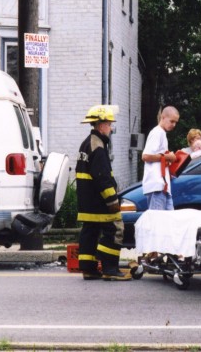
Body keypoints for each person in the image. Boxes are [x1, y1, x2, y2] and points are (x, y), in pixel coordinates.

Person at [76, 105, 131, 281]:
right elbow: (102, 177)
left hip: (87, 201)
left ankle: (89, 269)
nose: (111, 128)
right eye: (109, 124)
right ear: (101, 125)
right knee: (115, 230)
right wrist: (112, 200)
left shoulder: (87, 143)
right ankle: (110, 268)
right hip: (100, 202)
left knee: (90, 232)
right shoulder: (98, 146)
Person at [142, 106, 180, 210]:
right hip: (156, 187)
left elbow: (158, 158)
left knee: (167, 222)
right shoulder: (157, 132)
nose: (174, 125)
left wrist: (168, 159)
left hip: (163, 187)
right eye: (172, 121)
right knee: (157, 223)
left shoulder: (161, 133)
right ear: (163, 117)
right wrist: (168, 157)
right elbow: (145, 156)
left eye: (175, 122)